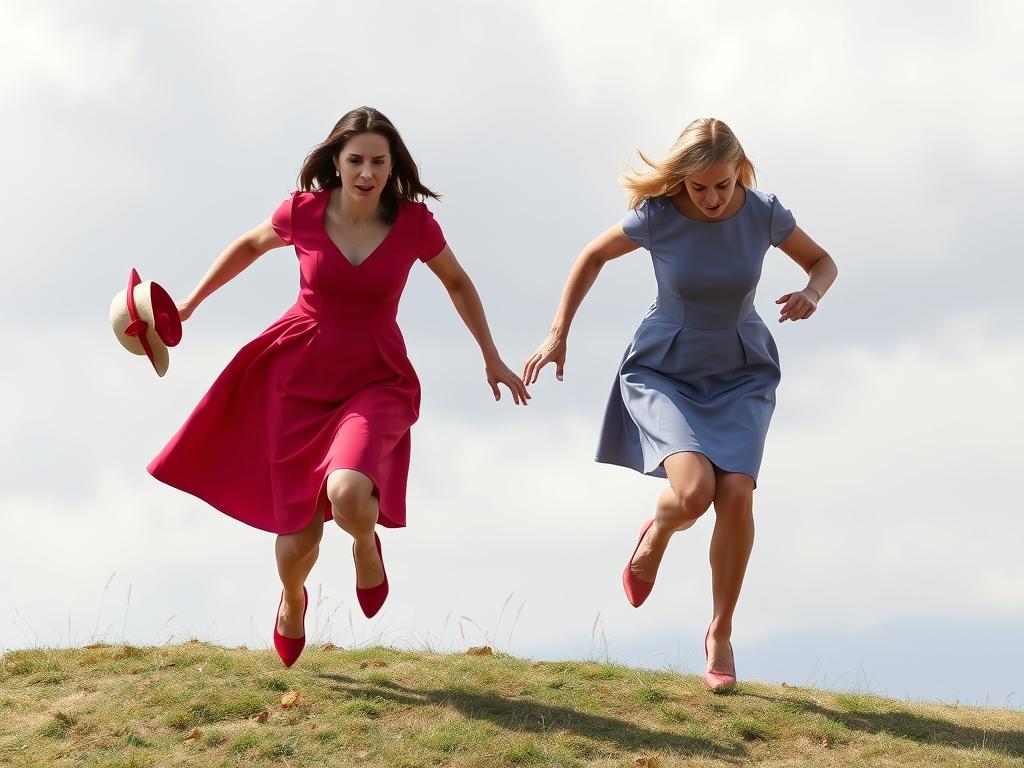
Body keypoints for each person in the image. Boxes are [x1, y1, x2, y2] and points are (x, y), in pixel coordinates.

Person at [149, 106, 528, 667]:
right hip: (297, 379)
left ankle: (364, 541)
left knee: (350, 494)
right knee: (297, 545)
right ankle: (294, 599)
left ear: (393, 165)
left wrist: (491, 356)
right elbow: (250, 246)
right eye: (356, 160)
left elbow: (457, 281)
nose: (367, 172)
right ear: (336, 162)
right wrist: (188, 303)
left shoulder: (414, 224)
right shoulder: (301, 213)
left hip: (376, 378)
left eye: (379, 161)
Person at [523, 118, 837, 691]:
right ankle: (658, 534)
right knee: (695, 493)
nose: (713, 199)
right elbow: (592, 256)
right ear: (681, 181)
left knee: (736, 491)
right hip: (665, 367)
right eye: (700, 188)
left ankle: (720, 631)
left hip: (741, 369)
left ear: (738, 172)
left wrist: (812, 293)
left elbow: (823, 262)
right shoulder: (659, 216)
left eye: (722, 185)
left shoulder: (764, 212)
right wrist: (557, 332)